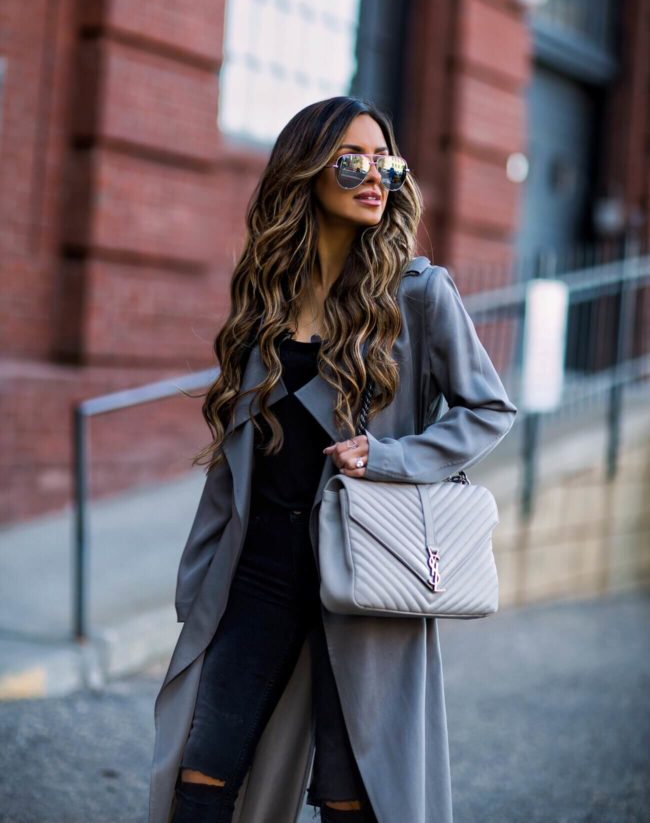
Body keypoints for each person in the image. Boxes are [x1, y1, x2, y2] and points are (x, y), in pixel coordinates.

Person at [149, 95, 518, 823]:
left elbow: (489, 411)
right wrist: (198, 584)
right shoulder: (265, 306)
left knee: (353, 794)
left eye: (388, 162)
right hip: (255, 575)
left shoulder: (419, 295)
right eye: (354, 161)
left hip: (365, 572)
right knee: (200, 774)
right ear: (308, 170)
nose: (375, 176)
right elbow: (235, 462)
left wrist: (392, 457)